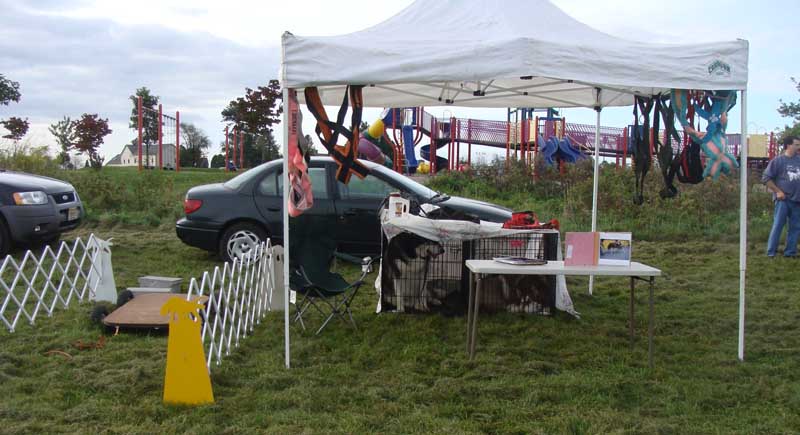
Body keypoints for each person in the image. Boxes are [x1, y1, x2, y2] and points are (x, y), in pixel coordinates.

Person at [762, 135, 800, 257]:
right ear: (788, 145)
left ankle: (790, 252)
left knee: (795, 227)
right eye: (796, 145)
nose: (798, 147)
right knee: (778, 225)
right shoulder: (778, 161)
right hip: (783, 200)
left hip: (797, 200)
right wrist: (777, 191)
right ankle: (771, 252)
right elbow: (766, 178)